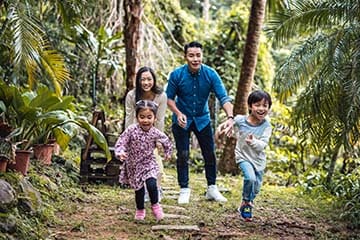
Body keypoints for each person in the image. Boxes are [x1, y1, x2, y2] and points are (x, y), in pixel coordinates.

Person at [165, 41, 234, 204]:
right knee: (183, 154)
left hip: (202, 119)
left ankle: (212, 188)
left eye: (198, 55)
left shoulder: (211, 74)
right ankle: (184, 189)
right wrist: (178, 113)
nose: (195, 59)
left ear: (202, 56)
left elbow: (223, 97)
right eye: (191, 55)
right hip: (181, 119)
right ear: (185, 57)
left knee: (209, 153)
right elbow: (168, 99)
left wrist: (230, 117)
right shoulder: (176, 75)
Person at [115, 100, 172, 221]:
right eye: (142, 117)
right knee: (139, 190)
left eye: (149, 117)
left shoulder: (155, 132)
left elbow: (166, 140)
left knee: (152, 184)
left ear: (154, 118)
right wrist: (120, 152)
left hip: (148, 163)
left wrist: (168, 152)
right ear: (137, 118)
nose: (145, 120)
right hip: (133, 165)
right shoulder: (131, 130)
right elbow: (121, 141)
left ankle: (156, 206)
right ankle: (140, 209)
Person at [220, 90, 272, 222]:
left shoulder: (266, 125)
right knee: (250, 178)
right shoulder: (241, 120)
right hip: (243, 156)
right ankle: (247, 204)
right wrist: (225, 126)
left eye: (265, 105)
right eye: (257, 105)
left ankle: (246, 202)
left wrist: (253, 142)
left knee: (255, 189)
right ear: (250, 106)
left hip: (258, 161)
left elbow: (263, 145)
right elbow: (231, 121)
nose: (261, 108)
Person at [124, 66, 167, 200]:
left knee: (156, 163)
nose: (146, 83)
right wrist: (128, 138)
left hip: (152, 134)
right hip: (136, 134)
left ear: (153, 80)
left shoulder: (161, 96)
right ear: (138, 81)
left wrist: (159, 140)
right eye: (143, 80)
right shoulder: (131, 95)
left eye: (149, 79)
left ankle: (157, 189)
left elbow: (160, 119)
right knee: (138, 164)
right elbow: (129, 117)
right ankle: (143, 190)